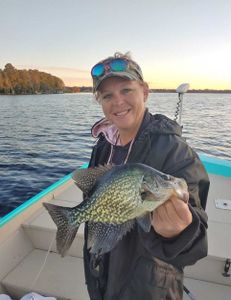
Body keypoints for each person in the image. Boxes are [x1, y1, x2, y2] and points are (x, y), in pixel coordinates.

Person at [83, 52, 209, 300]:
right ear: (100, 101)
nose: (118, 102)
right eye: (107, 95)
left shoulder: (177, 153)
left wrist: (179, 233)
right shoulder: (103, 145)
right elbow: (95, 200)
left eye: (127, 90)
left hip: (148, 289)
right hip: (100, 277)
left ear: (145, 91)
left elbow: (196, 244)